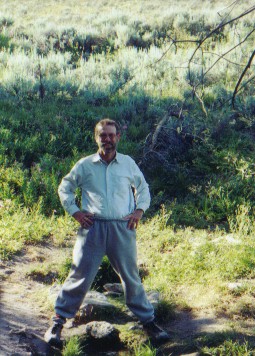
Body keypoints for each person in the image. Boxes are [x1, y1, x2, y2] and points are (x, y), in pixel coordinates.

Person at [44, 118, 169, 345]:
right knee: (79, 274)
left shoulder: (128, 163)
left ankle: (149, 323)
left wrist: (139, 211)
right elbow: (65, 188)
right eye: (103, 135)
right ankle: (57, 322)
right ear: (96, 138)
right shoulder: (85, 165)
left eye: (111, 135)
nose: (108, 139)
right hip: (93, 228)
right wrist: (76, 212)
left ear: (118, 137)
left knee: (131, 276)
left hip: (123, 227)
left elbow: (143, 188)